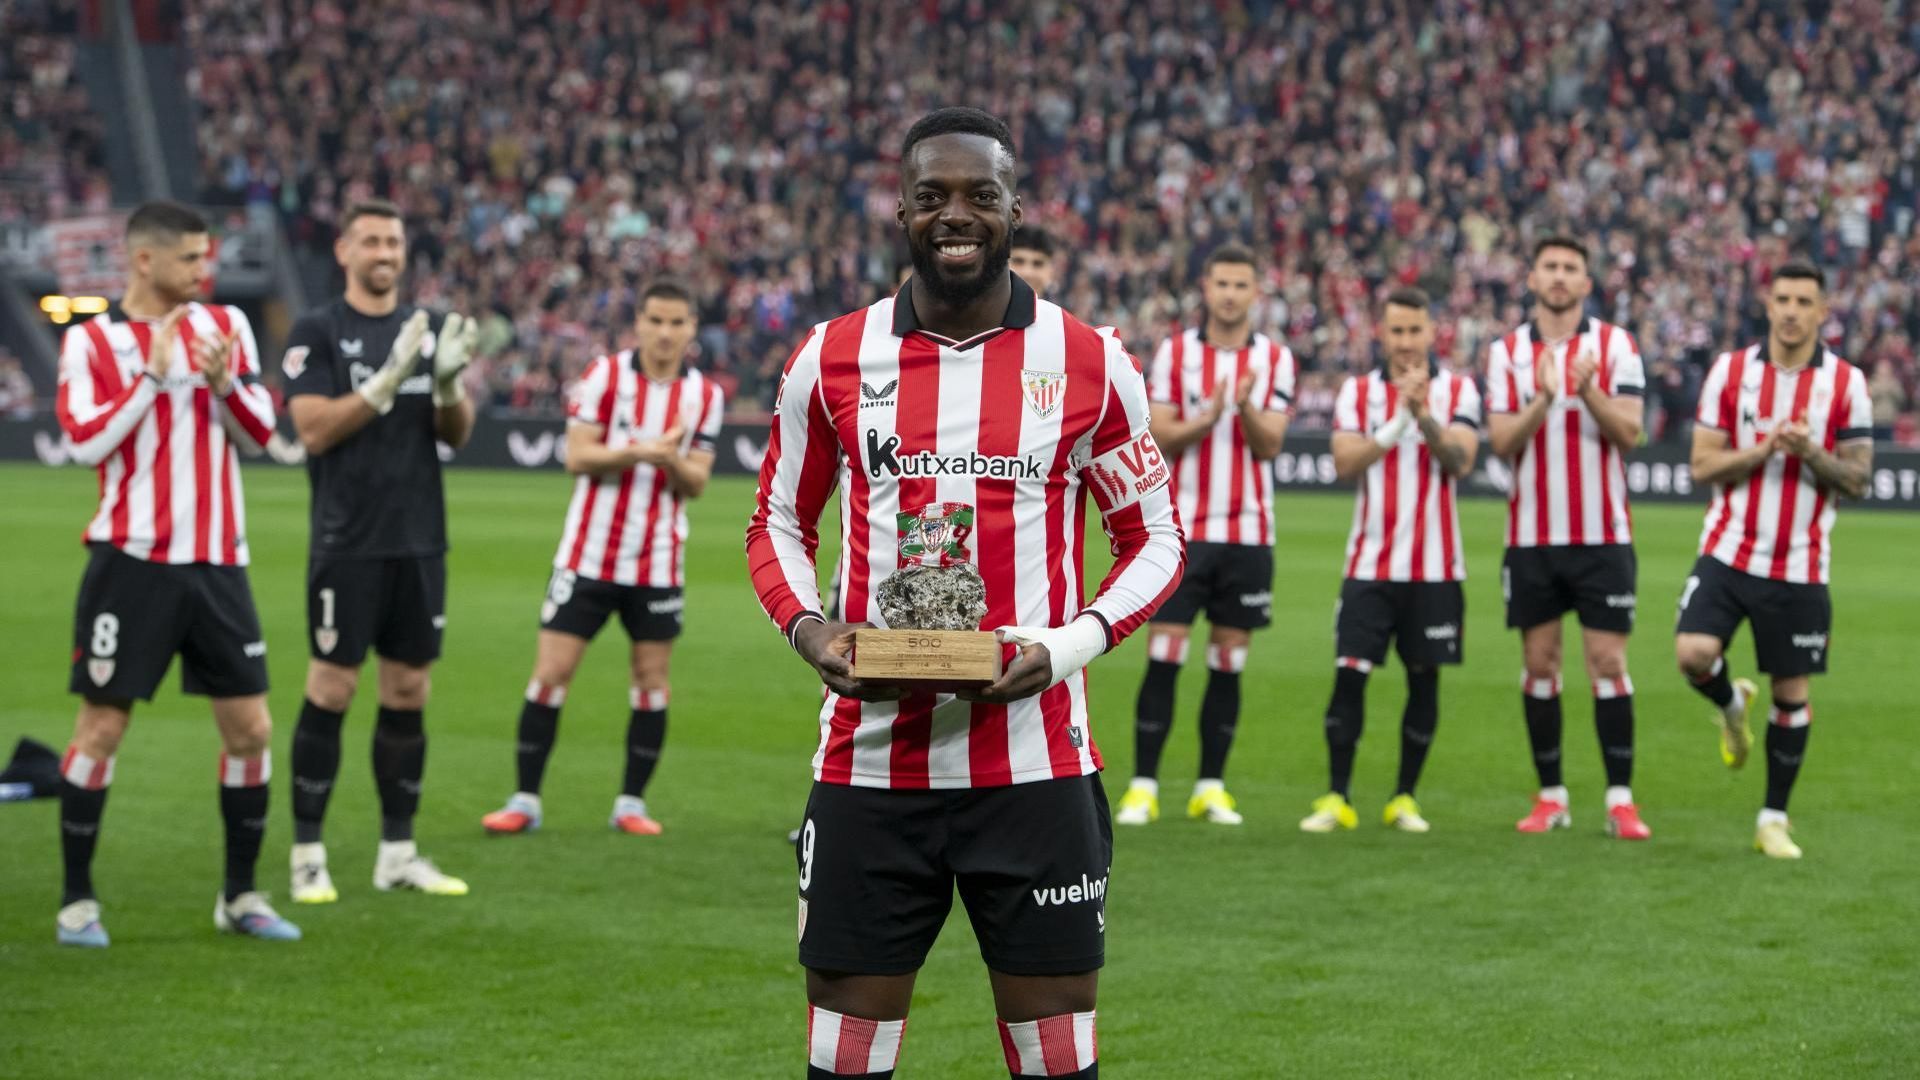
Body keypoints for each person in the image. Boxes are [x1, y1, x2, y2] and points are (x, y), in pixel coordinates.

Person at [746, 107, 1182, 1080]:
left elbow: (1153, 538)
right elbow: (776, 523)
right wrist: (811, 631)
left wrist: (1061, 649)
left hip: (1035, 770)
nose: (957, 214)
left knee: (1057, 1055)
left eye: (980, 195)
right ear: (900, 209)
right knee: (844, 1057)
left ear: (1015, 208)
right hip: (869, 769)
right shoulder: (830, 358)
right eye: (933, 195)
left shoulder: (1087, 361)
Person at [50, 200, 298, 946]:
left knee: (250, 729)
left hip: (219, 562)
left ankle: (241, 895)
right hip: (130, 561)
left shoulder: (227, 327)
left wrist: (223, 387)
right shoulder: (92, 341)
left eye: (206, 256)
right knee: (100, 728)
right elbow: (88, 445)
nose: (204, 270)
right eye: (190, 259)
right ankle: (76, 901)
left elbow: (259, 437)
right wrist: (153, 381)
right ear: (145, 261)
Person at [280, 199, 480, 903]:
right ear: (344, 251)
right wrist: (382, 385)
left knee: (407, 690)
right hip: (348, 542)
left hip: (419, 541)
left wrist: (448, 382)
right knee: (332, 687)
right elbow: (312, 429)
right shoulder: (318, 330)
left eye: (393, 240)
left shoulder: (422, 329)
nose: (384, 251)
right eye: (369, 240)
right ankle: (308, 852)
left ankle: (397, 850)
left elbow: (455, 434)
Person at [481, 282, 724, 836]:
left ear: (691, 330)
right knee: (551, 674)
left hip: (658, 562)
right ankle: (524, 799)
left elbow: (697, 482)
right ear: (638, 322)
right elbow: (576, 457)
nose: (665, 333)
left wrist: (668, 461)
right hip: (586, 556)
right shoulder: (604, 376)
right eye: (656, 320)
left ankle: (631, 805)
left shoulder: (704, 396)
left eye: (677, 322)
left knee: (651, 680)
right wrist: (643, 450)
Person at [1675, 262, 1873, 859]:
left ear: (1821, 309)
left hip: (1801, 563)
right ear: (1767, 303)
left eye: (1803, 300)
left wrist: (1810, 450)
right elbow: (1703, 466)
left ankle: (1772, 819)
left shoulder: (1846, 383)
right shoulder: (1732, 372)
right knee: (1692, 654)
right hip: (1729, 550)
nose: (1791, 310)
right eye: (1782, 298)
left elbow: (1859, 478)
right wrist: (1764, 449)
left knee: (1791, 692)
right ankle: (1732, 707)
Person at [1114, 242, 1293, 827]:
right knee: (1165, 652)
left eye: (1242, 285)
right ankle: (1143, 785)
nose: (1231, 295)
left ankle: (1210, 786)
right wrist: (1209, 416)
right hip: (1184, 530)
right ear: (1206, 289)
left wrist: (1239, 410)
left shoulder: (1275, 358)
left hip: (1248, 534)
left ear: (1255, 294)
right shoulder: (1175, 353)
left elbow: (1270, 445)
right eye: (1222, 284)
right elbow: (1161, 435)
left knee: (1228, 660)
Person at [1485, 235, 1651, 840]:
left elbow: (1630, 431)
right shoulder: (1507, 353)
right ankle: (1551, 796)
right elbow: (1503, 441)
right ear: (1531, 278)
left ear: (1587, 283)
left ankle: (1620, 800)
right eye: (1549, 266)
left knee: (1608, 662)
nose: (1559, 277)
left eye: (1571, 269)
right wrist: (1545, 398)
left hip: (1603, 537)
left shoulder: (1616, 346)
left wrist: (1587, 392)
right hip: (1532, 538)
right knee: (1539, 662)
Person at [1300, 288, 1481, 833]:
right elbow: (1345, 462)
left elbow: (1460, 460)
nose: (1405, 342)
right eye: (1396, 331)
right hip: (1369, 567)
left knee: (1424, 682)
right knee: (1349, 677)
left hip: (1435, 569)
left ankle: (1404, 796)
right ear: (1382, 334)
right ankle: (1337, 796)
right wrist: (1396, 422)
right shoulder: (1357, 392)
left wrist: (1422, 415)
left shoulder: (1459, 390)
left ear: (1432, 333)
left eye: (1414, 331)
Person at [1009, 227, 1057, 296]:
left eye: (1038, 264)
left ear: (1051, 272)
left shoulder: (1057, 307)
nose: (1028, 273)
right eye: (1018, 261)